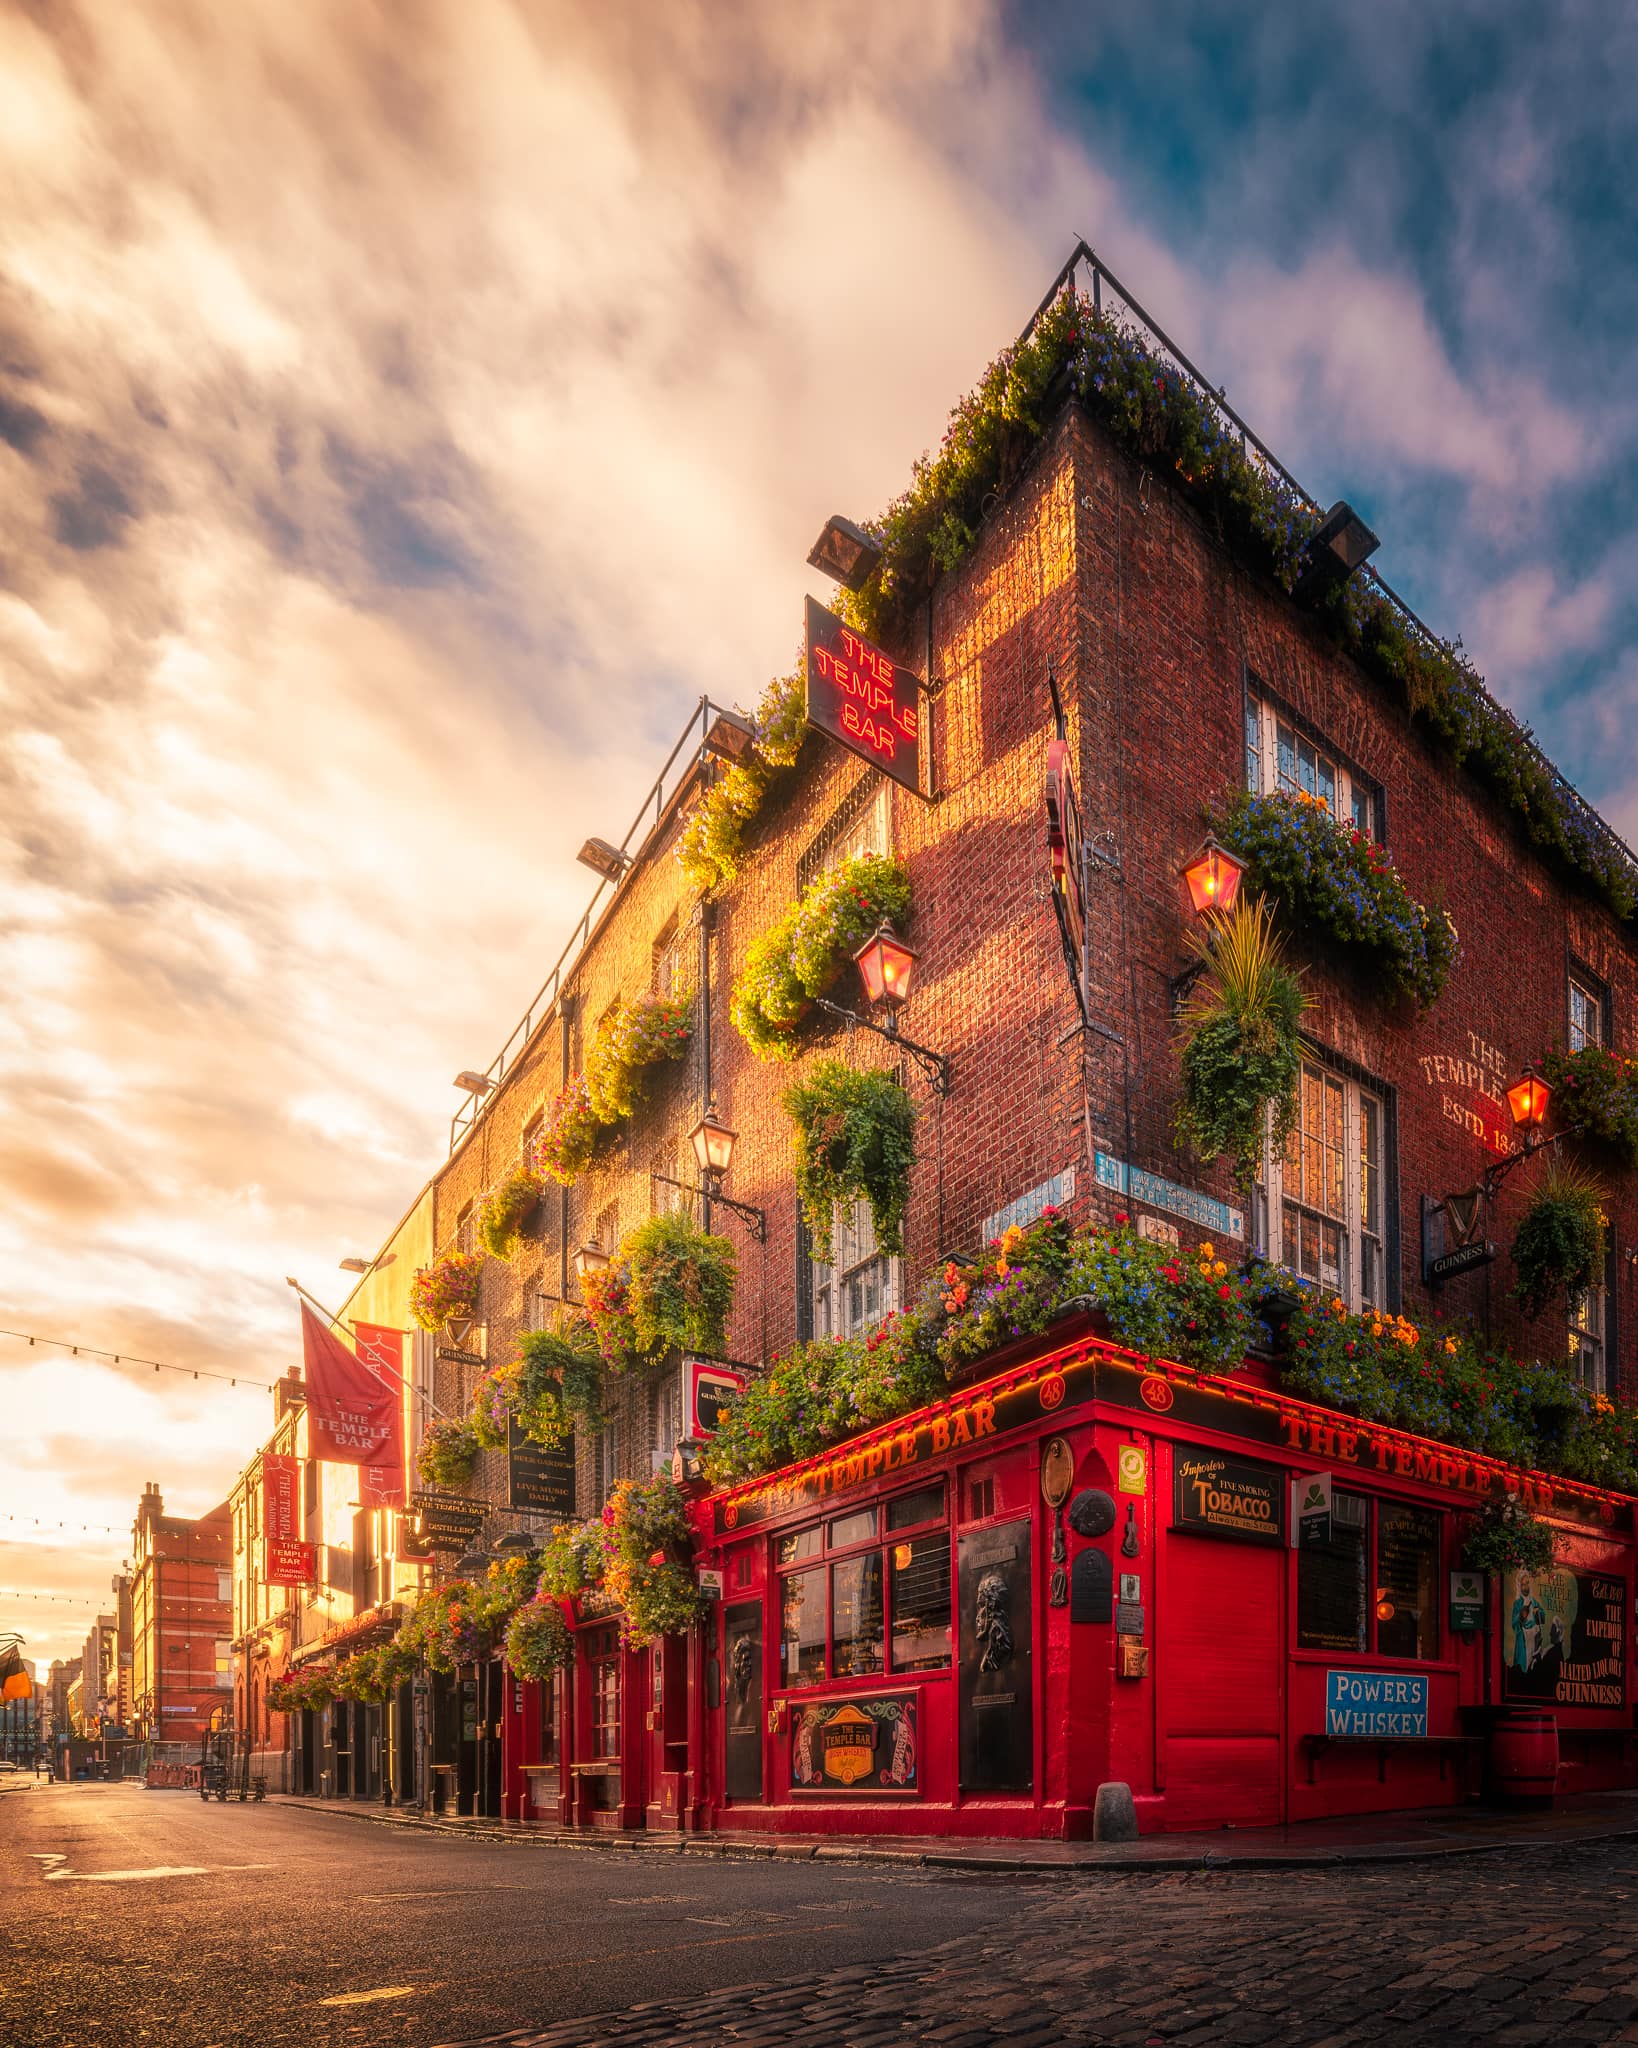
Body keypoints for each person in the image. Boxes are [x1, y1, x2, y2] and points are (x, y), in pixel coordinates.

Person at [1510, 1569, 1547, 1675]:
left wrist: (1538, 1612)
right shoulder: (1517, 1604)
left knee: (1534, 1666)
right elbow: (1514, 1624)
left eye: (1527, 1583)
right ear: (1519, 1586)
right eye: (1523, 1584)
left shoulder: (1534, 1601)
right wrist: (1521, 1616)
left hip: (1534, 1637)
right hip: (1524, 1638)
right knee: (1523, 1666)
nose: (1526, 1587)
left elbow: (1542, 1618)